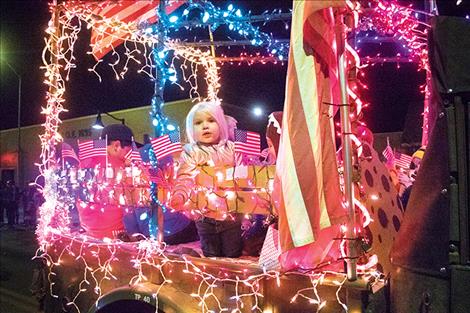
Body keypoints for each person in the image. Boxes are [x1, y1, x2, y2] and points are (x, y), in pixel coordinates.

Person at [170, 101, 244, 257]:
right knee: (211, 258)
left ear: (221, 124)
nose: (205, 126)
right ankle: (215, 281)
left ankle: (230, 281)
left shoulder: (232, 148)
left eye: (211, 121)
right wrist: (180, 195)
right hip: (204, 216)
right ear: (191, 128)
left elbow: (245, 173)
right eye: (198, 123)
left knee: (232, 257)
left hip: (232, 215)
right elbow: (185, 176)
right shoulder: (192, 151)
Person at [77, 124, 135, 239]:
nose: (132, 153)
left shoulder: (85, 164)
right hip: (118, 237)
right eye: (129, 149)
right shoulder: (122, 169)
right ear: (117, 145)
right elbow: (136, 199)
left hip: (89, 234)